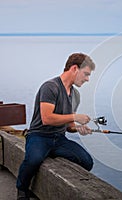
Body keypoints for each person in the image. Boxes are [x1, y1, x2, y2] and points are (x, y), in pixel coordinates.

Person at [16, 53, 95, 200]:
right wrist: (75, 117)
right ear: (74, 69)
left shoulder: (75, 95)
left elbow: (69, 126)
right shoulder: (50, 87)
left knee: (87, 162)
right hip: (39, 136)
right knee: (33, 160)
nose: (87, 79)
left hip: (59, 139)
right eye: (85, 74)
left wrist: (79, 128)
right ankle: (22, 190)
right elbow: (47, 119)